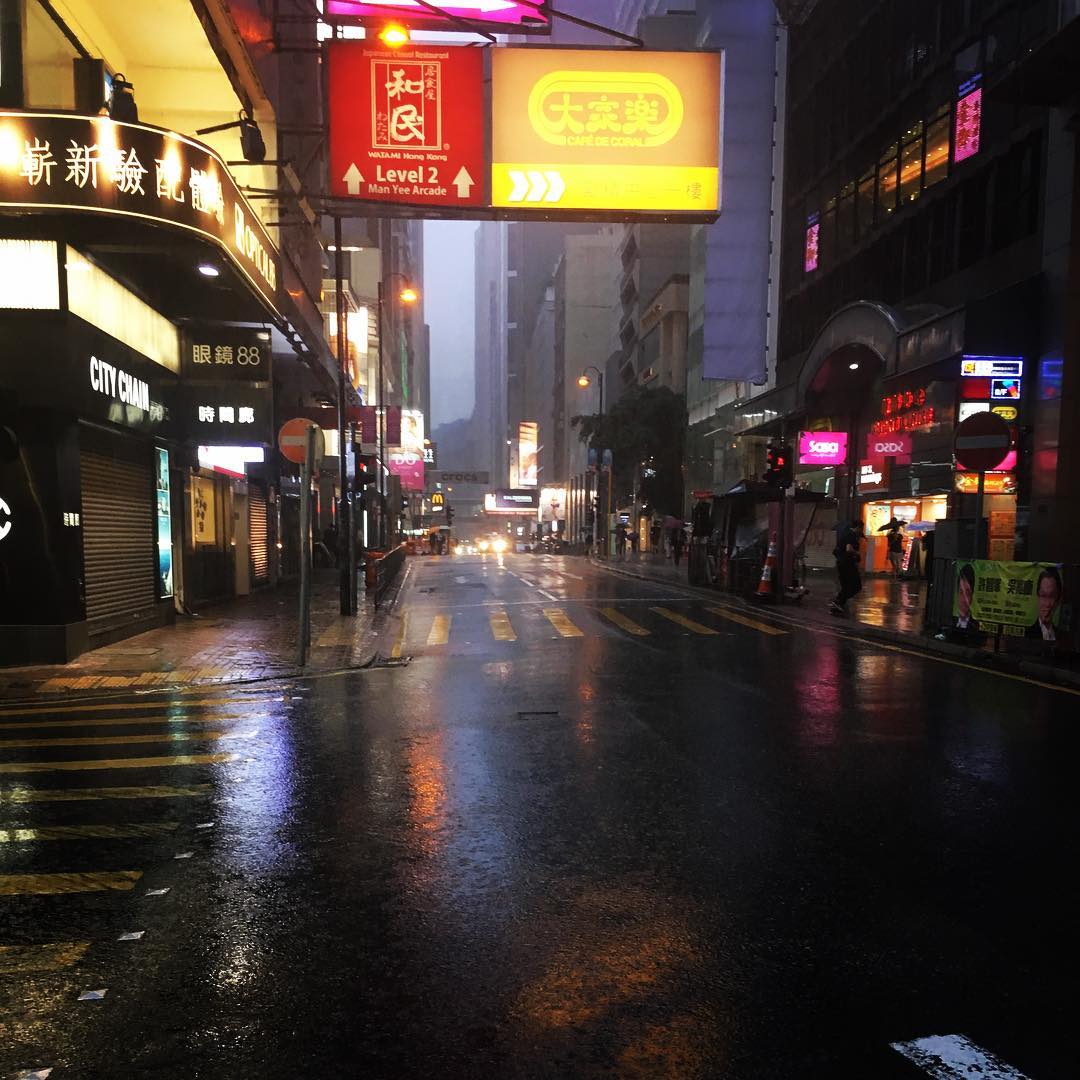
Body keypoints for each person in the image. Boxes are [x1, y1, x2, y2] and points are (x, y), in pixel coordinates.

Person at [829, 518, 863, 616]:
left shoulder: (844, 534)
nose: (861, 531)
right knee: (856, 586)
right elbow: (849, 549)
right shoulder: (851, 535)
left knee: (846, 585)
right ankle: (839, 601)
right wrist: (857, 553)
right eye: (861, 528)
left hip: (842, 563)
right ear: (858, 527)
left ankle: (839, 602)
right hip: (848, 564)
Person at [1025, 566, 1064, 642]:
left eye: (1052, 596)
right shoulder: (1027, 633)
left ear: (1058, 600)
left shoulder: (1061, 636)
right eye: (1043, 595)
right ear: (1038, 596)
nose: (1047, 604)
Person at [954, 563, 979, 632]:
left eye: (967, 593)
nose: (963, 600)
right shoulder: (950, 620)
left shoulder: (976, 626)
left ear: (972, 595)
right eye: (961, 592)